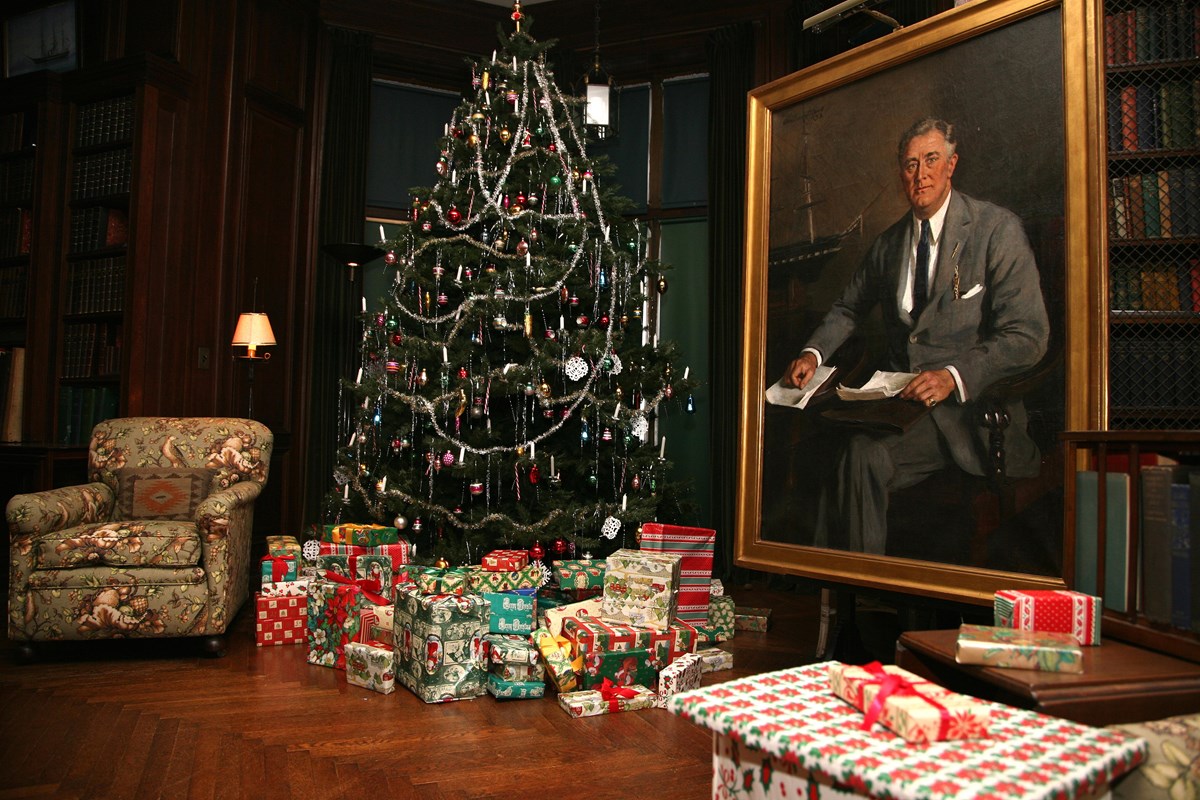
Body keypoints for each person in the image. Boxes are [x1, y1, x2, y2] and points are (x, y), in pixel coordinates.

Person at [783, 117, 1049, 555]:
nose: (920, 174)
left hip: (974, 414)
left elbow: (1028, 335)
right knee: (854, 454)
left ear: (951, 165)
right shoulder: (889, 245)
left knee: (852, 458)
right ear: (900, 173)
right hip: (904, 412)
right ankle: (852, 590)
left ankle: (847, 593)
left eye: (931, 160)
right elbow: (848, 307)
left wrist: (953, 375)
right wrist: (813, 352)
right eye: (909, 165)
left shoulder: (996, 230)